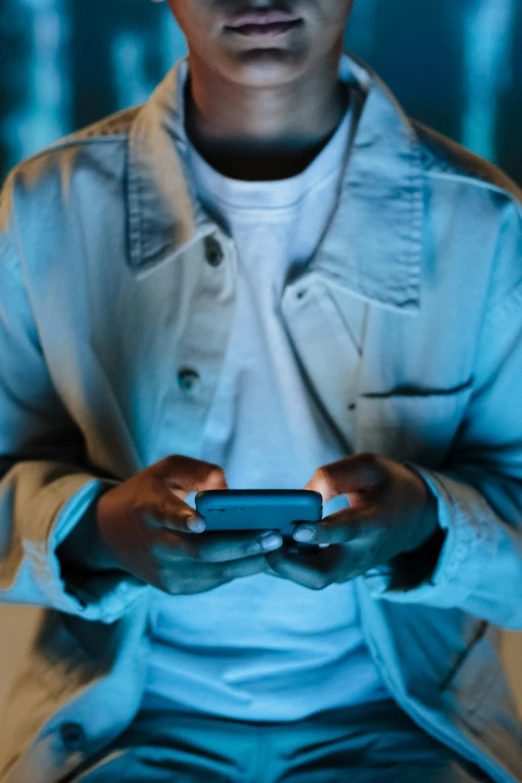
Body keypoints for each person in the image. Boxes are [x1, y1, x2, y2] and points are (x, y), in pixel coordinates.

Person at [0, 1, 521, 781]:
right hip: (121, 729)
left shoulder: (486, 225)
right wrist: (99, 529)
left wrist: (427, 517)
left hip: (402, 728)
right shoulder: (47, 207)